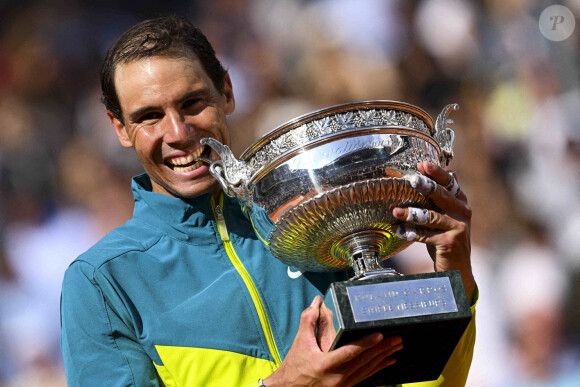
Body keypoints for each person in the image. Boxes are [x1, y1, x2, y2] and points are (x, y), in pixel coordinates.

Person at [60, 15, 477, 387]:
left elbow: (423, 382)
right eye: (149, 116)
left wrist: (454, 275)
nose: (178, 132)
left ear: (226, 91)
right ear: (119, 127)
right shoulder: (102, 282)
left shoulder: (321, 216)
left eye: (192, 103)